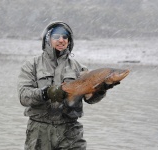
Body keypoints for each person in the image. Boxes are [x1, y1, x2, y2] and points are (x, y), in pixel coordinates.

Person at [17, 21, 119, 150]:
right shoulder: (32, 65)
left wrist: (101, 89)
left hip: (70, 132)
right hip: (39, 132)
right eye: (56, 37)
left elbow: (90, 99)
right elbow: (23, 96)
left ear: (69, 41)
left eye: (65, 37)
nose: (61, 40)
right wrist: (47, 92)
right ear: (47, 39)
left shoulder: (80, 68)